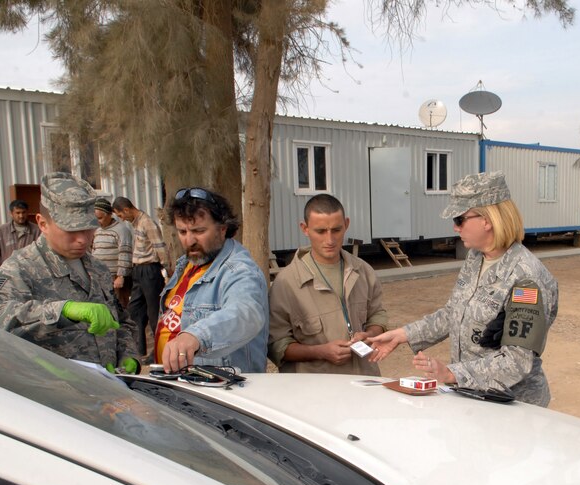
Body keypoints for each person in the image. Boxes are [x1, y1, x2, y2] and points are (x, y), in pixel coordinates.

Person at [370, 171, 559, 405]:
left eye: (460, 219)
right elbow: (453, 312)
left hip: (512, 406)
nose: (455, 227)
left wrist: (452, 374)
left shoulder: (525, 277)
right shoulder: (476, 258)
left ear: (487, 219)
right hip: (474, 396)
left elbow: (517, 361)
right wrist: (402, 335)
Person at [0, 172, 139, 373]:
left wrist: (128, 355)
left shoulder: (98, 268)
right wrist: (62, 310)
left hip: (107, 391)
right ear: (42, 224)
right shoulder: (21, 267)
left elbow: (121, 321)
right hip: (53, 394)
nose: (83, 239)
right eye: (71, 231)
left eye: (88, 229)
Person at [268, 194, 388, 375]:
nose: (330, 240)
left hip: (364, 384)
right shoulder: (286, 283)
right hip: (314, 392)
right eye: (321, 231)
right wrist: (320, 352)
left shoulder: (363, 271)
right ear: (305, 228)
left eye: (336, 230)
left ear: (346, 224)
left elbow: (377, 315)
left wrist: (370, 335)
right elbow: (276, 344)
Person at [155, 187, 269, 374]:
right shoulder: (187, 264)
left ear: (222, 229)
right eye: (182, 232)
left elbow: (246, 312)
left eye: (198, 231)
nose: (189, 240)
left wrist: (196, 336)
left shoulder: (239, 270)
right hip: (179, 386)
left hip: (218, 394)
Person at [112, 196, 171, 363]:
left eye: (121, 215)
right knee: (134, 310)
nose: (121, 219)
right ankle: (137, 348)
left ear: (126, 210)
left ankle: (157, 352)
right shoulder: (136, 223)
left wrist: (166, 268)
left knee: (154, 312)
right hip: (138, 270)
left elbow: (159, 246)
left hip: (150, 270)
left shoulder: (147, 223)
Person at [92, 197, 133, 309]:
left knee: (118, 307)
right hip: (99, 276)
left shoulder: (121, 230)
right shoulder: (97, 230)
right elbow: (94, 250)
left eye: (100, 218)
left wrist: (121, 276)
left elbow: (125, 253)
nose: (98, 221)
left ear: (109, 214)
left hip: (114, 278)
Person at [0, 199, 40, 273]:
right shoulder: (0, 232)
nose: (21, 216)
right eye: (18, 213)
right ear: (11, 213)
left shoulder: (37, 231)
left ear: (27, 212)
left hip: (31, 275)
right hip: (8, 274)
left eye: (23, 212)